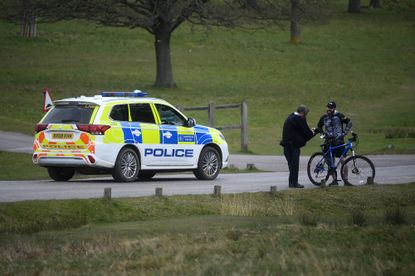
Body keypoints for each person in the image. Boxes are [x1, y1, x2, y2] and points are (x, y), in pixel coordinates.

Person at [316, 101, 352, 185]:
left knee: (344, 161)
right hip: (328, 142)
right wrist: (323, 134)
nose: (328, 109)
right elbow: (319, 126)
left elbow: (349, 122)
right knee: (330, 162)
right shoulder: (324, 117)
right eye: (328, 107)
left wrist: (345, 133)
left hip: (339, 142)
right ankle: (334, 180)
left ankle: (346, 179)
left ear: (334, 108)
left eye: (330, 108)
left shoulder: (340, 116)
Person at [280, 105, 315, 188]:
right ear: (303, 113)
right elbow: (306, 132)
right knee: (295, 165)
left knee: (291, 164)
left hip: (286, 145)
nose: (305, 116)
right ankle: (294, 183)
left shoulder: (290, 117)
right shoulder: (299, 118)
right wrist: (313, 132)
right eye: (305, 114)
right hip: (293, 145)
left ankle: (292, 182)